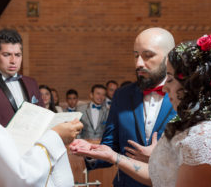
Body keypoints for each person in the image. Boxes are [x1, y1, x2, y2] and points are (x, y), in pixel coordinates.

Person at [70, 35, 211, 186]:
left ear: (192, 84)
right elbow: (162, 175)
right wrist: (111, 156)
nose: (165, 88)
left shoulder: (203, 136)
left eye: (170, 79)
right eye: (135, 55)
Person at [0, 19, 83, 187]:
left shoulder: (30, 82)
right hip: (15, 158)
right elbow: (18, 176)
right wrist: (56, 137)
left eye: (18, 55)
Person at [74, 28, 176, 187]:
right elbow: (110, 146)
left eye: (148, 56)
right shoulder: (122, 95)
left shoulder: (185, 96)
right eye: (136, 55)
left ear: (169, 57)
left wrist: (159, 158)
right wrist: (91, 152)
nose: (139, 64)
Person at [0, 29, 44, 127]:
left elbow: (43, 115)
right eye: (7, 55)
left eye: (17, 55)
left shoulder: (31, 83)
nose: (13, 61)